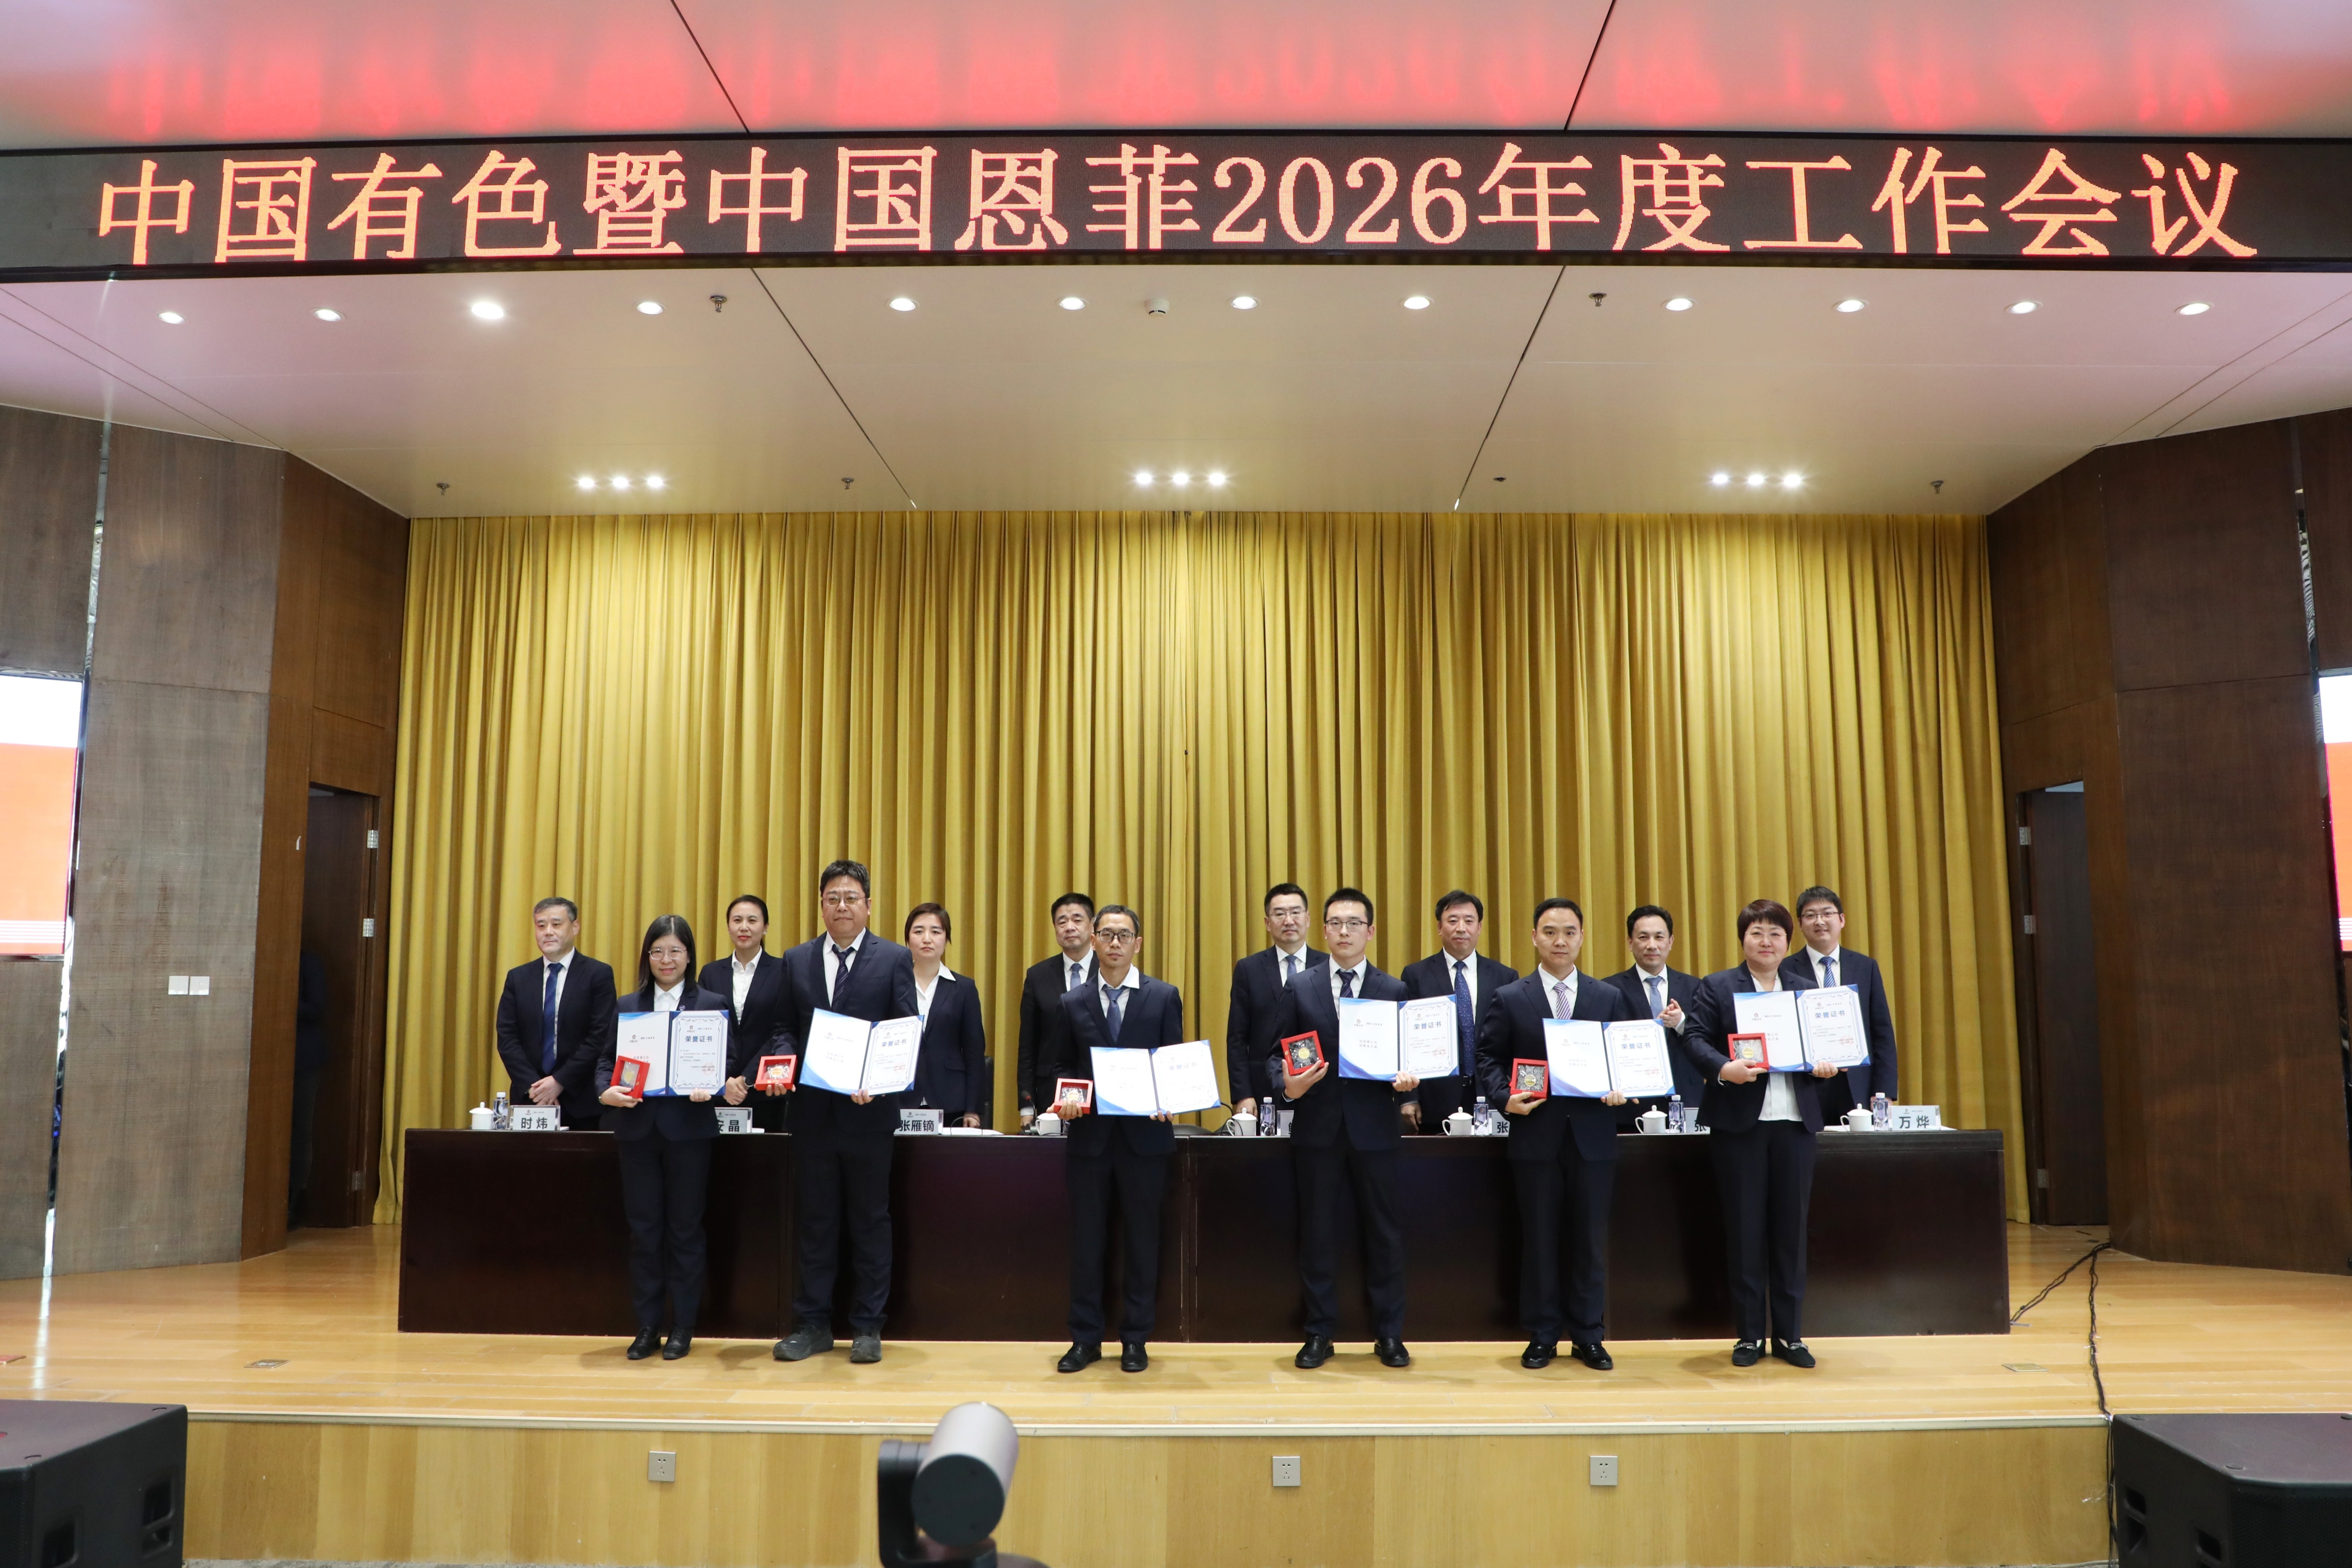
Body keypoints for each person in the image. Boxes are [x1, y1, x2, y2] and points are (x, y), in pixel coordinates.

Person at [769, 860, 919, 1367]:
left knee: (869, 1221)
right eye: (833, 898)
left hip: (868, 1116)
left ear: (868, 906)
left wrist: (879, 1081)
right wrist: (783, 1064)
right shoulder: (797, 959)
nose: (842, 907)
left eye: (851, 898)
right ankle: (811, 1325)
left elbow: (904, 1031)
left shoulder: (894, 958)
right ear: (821, 905)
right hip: (812, 1115)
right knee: (815, 1222)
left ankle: (868, 1327)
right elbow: (784, 1028)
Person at [1475, 898, 1632, 1370]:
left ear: (1582, 937)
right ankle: (1542, 1334)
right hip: (1535, 1135)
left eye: (1568, 932)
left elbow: (1625, 1056)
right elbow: (1487, 1058)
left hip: (1593, 1137)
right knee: (1539, 1239)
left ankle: (1588, 1334)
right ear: (1534, 937)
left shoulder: (1608, 997)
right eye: (1549, 932)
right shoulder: (1510, 996)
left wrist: (1622, 1087)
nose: (1559, 941)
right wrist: (1504, 1097)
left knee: (1589, 1239)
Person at [1685, 898, 1839, 1368]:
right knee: (1745, 1230)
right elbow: (1694, 1039)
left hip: (1795, 1125)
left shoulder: (1806, 990)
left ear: (1788, 942)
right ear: (1743, 940)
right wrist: (1723, 1068)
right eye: (1757, 933)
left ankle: (1790, 1336)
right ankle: (1749, 1336)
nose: (1766, 941)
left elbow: (1827, 1045)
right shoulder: (1717, 987)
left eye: (1775, 933)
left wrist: (1828, 1063)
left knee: (1791, 1233)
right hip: (1740, 1128)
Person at [1272, 888, 1416, 1370]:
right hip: (1318, 1129)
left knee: (1384, 1233)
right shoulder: (1301, 986)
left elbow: (1410, 1058)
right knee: (1317, 1232)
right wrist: (1287, 1086)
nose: (1344, 931)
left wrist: (1408, 1082)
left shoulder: (1393, 989)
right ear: (1324, 930)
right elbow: (1274, 1055)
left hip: (1375, 1129)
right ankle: (1319, 1332)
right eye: (1335, 923)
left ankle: (1389, 1333)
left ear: (1370, 932)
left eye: (1354, 923)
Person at [597, 915, 741, 1361]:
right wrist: (606, 1092)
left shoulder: (712, 1003)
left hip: (689, 1132)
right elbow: (605, 1062)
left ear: (689, 956)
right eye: (658, 951)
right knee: (644, 1232)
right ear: (647, 956)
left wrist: (712, 1084)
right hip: (637, 1132)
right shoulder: (628, 1005)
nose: (666, 960)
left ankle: (683, 1327)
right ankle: (647, 1326)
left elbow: (728, 1061)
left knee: (685, 1230)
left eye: (675, 951)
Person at [1052, 904, 1184, 1374]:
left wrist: (1171, 1097)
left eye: (1123, 935)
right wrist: (1067, 1098)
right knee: (1087, 1243)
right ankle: (1085, 1339)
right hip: (1090, 1140)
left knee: (1142, 1242)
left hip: (1145, 1140)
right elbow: (1061, 1066)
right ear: (1092, 941)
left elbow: (1172, 1063)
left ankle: (1135, 1339)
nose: (1114, 943)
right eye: (1106, 934)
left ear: (1137, 944)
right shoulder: (1072, 1002)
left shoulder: (1164, 996)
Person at [493, 896, 617, 1134]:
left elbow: (601, 1037)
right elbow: (507, 1038)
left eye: (556, 924)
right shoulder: (518, 978)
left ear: (575, 927)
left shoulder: (598, 975)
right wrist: (536, 1089)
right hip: (531, 1100)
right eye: (541, 925)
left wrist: (560, 1082)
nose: (548, 932)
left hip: (581, 1101)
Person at [1400, 890, 1519, 1133]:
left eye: (1469, 921)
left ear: (1480, 927)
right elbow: (1405, 1040)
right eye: (1453, 921)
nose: (1461, 928)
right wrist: (1409, 1097)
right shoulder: (1416, 976)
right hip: (1436, 1096)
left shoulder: (1504, 977)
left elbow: (1512, 1040)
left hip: (1492, 1093)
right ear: (1439, 927)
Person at [1784, 886, 1901, 1122]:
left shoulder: (1865, 966)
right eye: (1810, 915)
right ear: (1800, 924)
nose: (1820, 921)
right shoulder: (1785, 969)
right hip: (1806, 1085)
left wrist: (1884, 1093)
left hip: (1858, 1084)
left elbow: (1882, 1032)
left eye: (1827, 913)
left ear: (1842, 919)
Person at [1227, 883, 1325, 1122]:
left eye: (1296, 912)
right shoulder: (1249, 969)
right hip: (1265, 1090)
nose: (1288, 920)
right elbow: (1237, 1038)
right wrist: (1243, 1094)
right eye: (1280, 914)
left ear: (1308, 918)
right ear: (1268, 923)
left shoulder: (1328, 966)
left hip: (1321, 1087)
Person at [1601, 904, 1705, 1125]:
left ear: (1671, 941)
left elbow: (1708, 1041)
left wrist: (1681, 1023)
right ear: (1630, 943)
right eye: (1643, 937)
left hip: (1686, 1098)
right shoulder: (1609, 990)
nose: (1652, 945)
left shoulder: (1696, 987)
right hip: (1631, 1104)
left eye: (1659, 937)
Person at [698, 894, 788, 1130]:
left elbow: (782, 1030)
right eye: (737, 920)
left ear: (766, 927)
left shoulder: (783, 970)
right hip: (719, 1090)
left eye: (752, 920)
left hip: (765, 1090)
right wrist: (724, 1081)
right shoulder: (710, 973)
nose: (744, 927)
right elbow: (704, 1031)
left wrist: (747, 1079)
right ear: (728, 927)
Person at [1016, 893, 1097, 1122]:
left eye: (1077, 920)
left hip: (1100, 1091)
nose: (1069, 927)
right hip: (1050, 1092)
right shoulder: (1038, 976)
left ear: (1092, 926)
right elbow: (1028, 1045)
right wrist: (1026, 1107)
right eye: (1062, 922)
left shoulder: (1109, 970)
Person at [906, 903, 987, 1126]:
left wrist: (973, 1109)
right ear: (908, 940)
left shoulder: (964, 988)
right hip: (901, 1099)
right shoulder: (895, 985)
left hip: (951, 1101)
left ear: (946, 939)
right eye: (919, 931)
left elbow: (974, 1053)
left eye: (936, 932)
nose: (927, 939)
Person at [288, 949, 329, 1227]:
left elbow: (317, 1007)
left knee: (300, 1130)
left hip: (304, 1057)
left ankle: (295, 1201)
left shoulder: (308, 961)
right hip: (269, 1057)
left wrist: (282, 999)